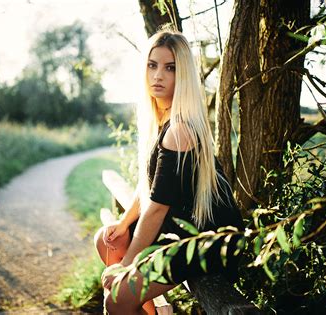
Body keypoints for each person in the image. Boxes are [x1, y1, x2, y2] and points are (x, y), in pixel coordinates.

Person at [93, 28, 243, 315]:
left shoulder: (180, 129)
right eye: (152, 65)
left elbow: (158, 208)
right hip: (180, 231)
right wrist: (124, 224)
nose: (158, 75)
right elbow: (149, 186)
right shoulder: (161, 119)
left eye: (170, 68)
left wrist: (126, 267)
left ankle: (129, 302)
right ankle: (143, 307)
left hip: (208, 241)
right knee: (108, 239)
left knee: (115, 300)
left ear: (183, 74)